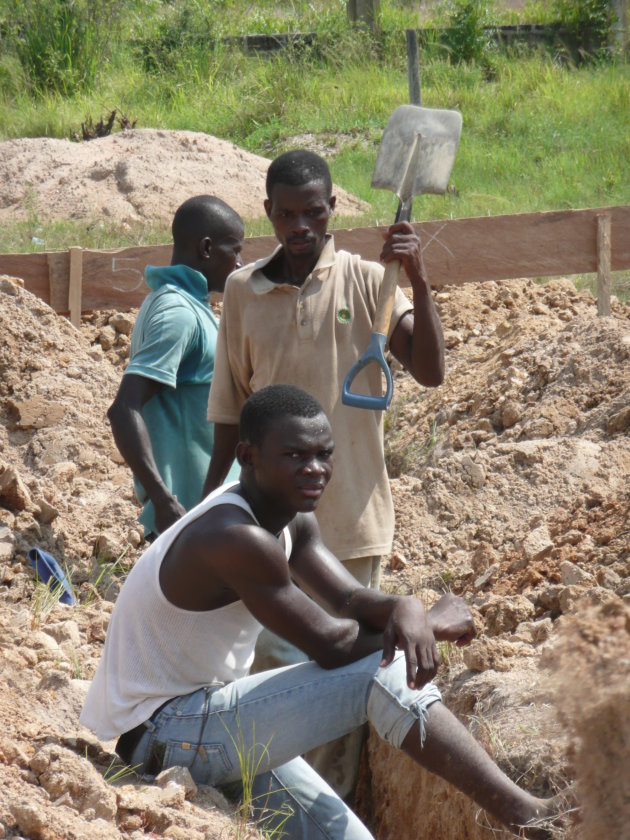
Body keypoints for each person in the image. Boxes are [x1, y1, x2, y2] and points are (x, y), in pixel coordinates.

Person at [80, 385, 560, 840]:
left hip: (206, 721)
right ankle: (526, 815)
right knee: (379, 670)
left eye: (324, 453)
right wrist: (427, 624)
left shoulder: (288, 517)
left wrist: (406, 606)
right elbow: (332, 646)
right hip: (162, 735)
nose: (315, 469)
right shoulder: (233, 535)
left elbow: (350, 601)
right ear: (247, 457)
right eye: (295, 455)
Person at [203, 150, 445, 796]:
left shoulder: (371, 283)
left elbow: (429, 369)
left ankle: (335, 816)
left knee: (340, 703)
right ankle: (271, 820)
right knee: (275, 698)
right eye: (287, 214)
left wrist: (418, 279)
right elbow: (229, 417)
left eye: (314, 211)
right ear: (269, 215)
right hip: (271, 537)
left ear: (334, 208)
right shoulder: (241, 292)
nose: (301, 225)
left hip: (351, 524)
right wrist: (201, 514)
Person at [108, 195, 244, 540]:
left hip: (207, 516)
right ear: (207, 248)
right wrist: (164, 501)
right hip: (191, 522)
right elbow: (125, 408)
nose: (240, 264)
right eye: (235, 251)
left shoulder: (183, 304)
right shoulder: (178, 313)